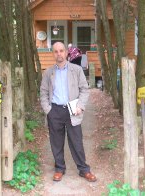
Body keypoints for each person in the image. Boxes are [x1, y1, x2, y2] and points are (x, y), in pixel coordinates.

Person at [40, 42, 97, 182]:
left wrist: (81, 106)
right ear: (53, 53)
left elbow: (84, 89)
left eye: (61, 51)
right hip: (55, 111)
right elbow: (43, 93)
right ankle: (59, 168)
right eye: (55, 51)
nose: (59, 54)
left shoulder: (76, 70)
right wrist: (48, 110)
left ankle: (84, 169)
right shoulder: (48, 73)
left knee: (76, 142)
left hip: (73, 110)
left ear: (66, 52)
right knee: (56, 142)